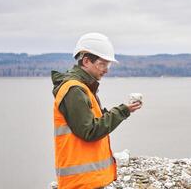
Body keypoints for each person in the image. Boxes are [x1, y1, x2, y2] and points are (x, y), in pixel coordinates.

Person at [51, 32, 142, 189]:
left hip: (88, 180)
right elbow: (90, 131)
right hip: (81, 182)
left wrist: (125, 110)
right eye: (102, 64)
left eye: (108, 65)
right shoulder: (74, 90)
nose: (106, 70)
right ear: (86, 61)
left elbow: (91, 122)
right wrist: (121, 112)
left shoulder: (83, 88)